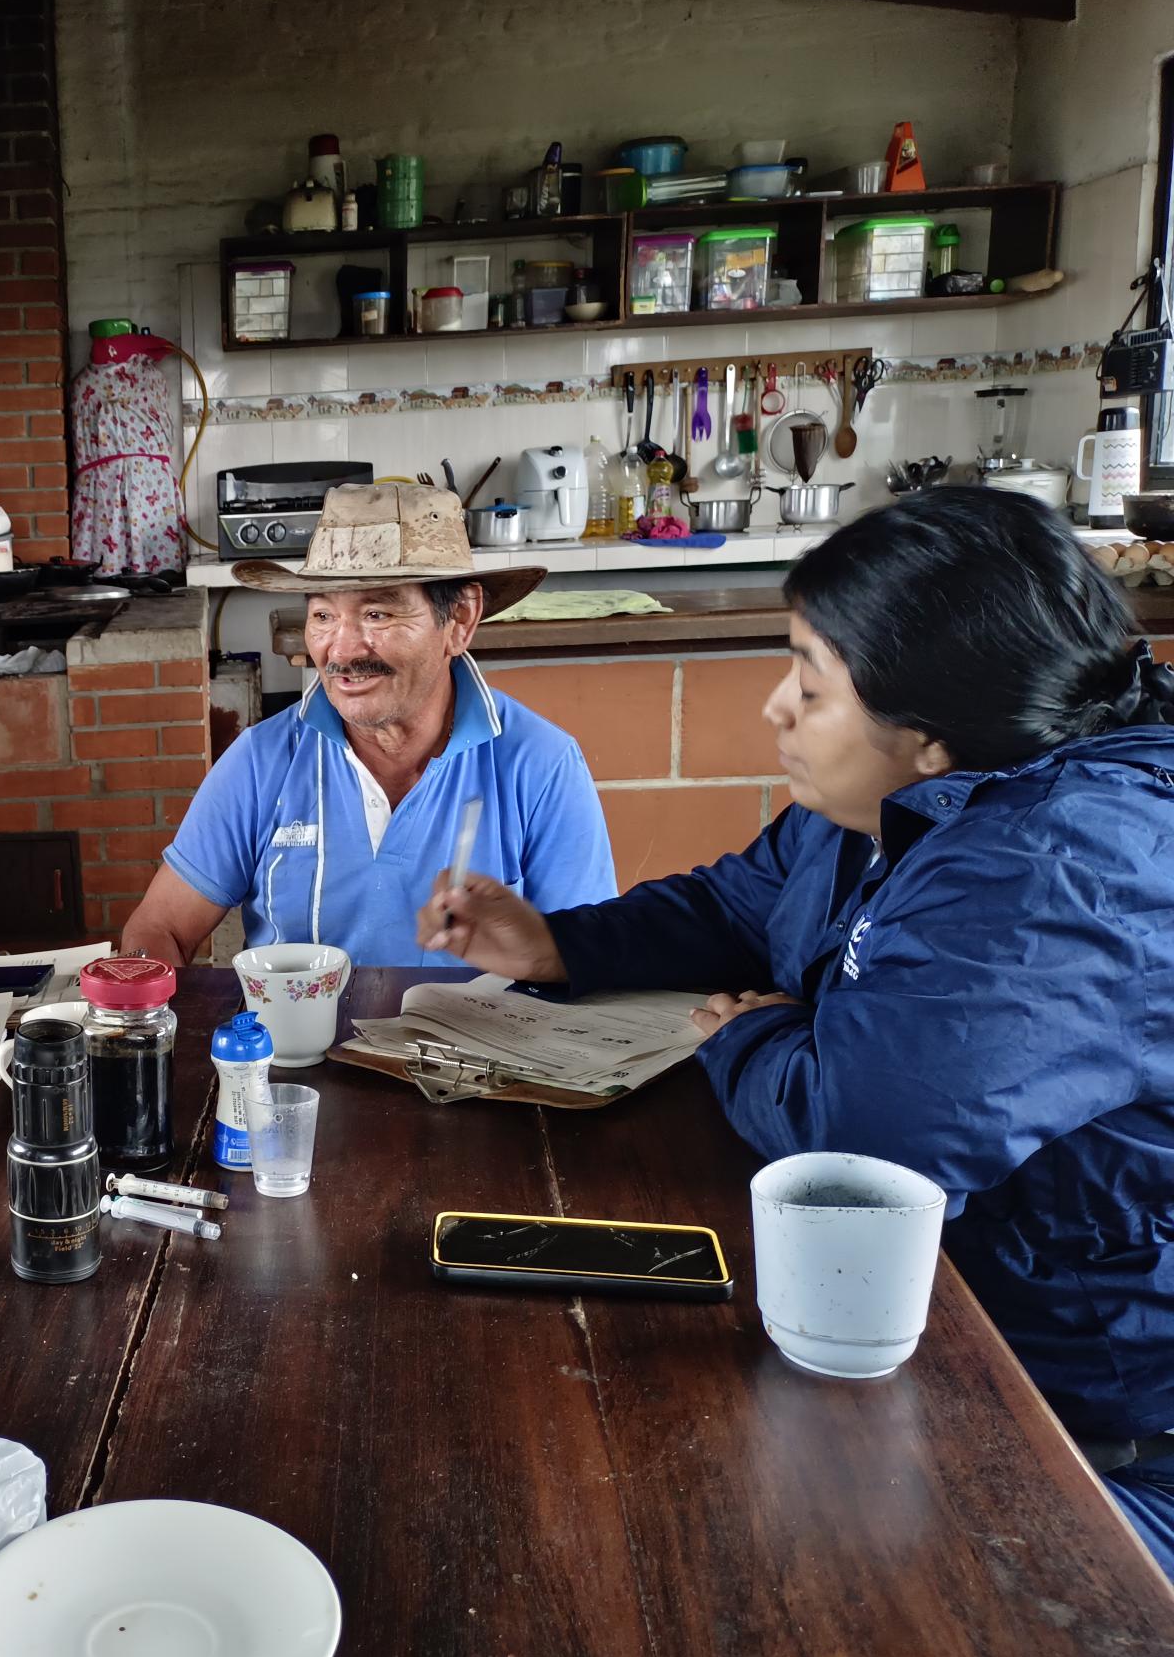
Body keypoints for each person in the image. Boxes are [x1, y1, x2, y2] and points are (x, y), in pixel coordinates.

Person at [416, 489, 1174, 1577]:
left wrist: (745, 1042)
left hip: (1093, 1425)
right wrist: (554, 945)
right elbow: (738, 905)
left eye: (809, 684)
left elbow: (865, 1147)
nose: (775, 708)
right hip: (951, 1338)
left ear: (927, 735)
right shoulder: (884, 808)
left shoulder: (1060, 870)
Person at [124, 481, 615, 967]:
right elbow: (159, 927)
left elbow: (587, 958)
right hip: (296, 1047)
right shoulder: (262, 761)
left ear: (460, 620)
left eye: (377, 613)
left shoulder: (540, 765)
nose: (340, 650)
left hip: (478, 1046)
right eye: (322, 615)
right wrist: (145, 1015)